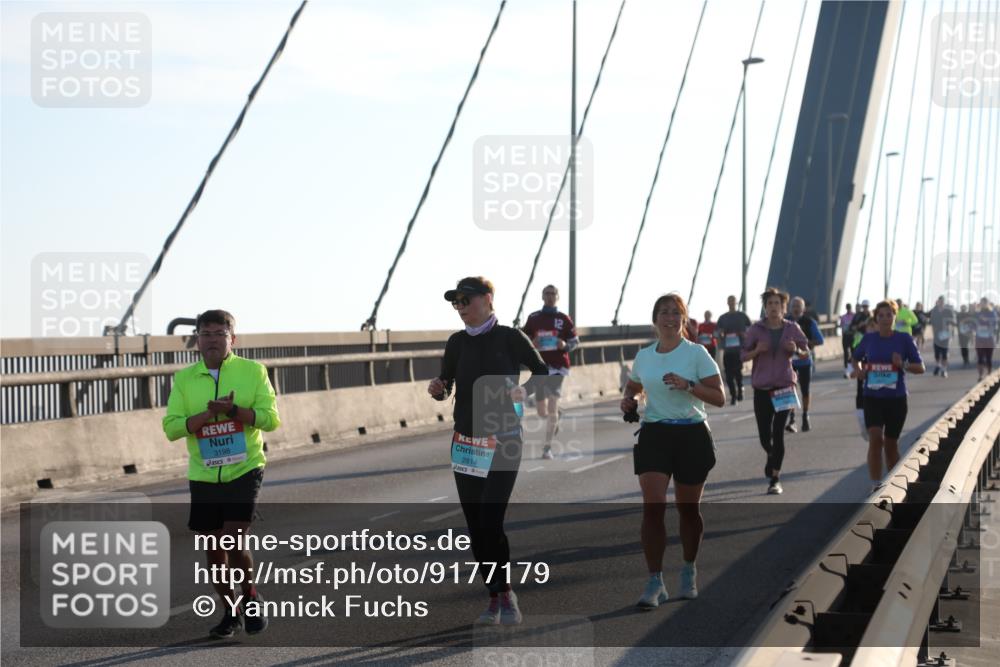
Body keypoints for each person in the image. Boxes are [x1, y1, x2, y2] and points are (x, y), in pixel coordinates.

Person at [428, 277, 550, 626]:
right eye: (456, 302)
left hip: (504, 439)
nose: (460, 307)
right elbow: (447, 383)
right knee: (475, 526)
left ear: (487, 299)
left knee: (490, 520)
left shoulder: (510, 338)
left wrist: (525, 391)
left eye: (465, 300)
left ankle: (506, 593)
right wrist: (438, 388)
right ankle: (494, 596)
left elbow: (543, 373)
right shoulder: (456, 342)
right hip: (467, 442)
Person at [162, 310, 281, 638]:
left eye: (219, 334)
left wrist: (232, 411)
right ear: (197, 340)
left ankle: (250, 596)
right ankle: (231, 612)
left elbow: (271, 419)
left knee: (233, 539)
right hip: (204, 473)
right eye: (206, 334)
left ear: (233, 339)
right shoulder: (185, 378)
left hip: (245, 467)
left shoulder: (253, 371)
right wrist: (206, 415)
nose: (212, 340)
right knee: (214, 549)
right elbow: (171, 428)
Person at [620, 293, 725, 607]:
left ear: (683, 319)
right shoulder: (644, 356)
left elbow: (719, 397)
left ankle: (689, 569)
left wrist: (689, 385)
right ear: (655, 319)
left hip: (691, 434)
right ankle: (655, 582)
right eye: (664, 312)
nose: (669, 318)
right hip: (655, 433)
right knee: (652, 507)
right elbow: (633, 385)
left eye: (675, 313)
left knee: (687, 510)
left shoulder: (696, 354)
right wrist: (629, 400)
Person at [741, 288, 810, 495]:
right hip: (762, 389)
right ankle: (771, 455)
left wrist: (796, 349)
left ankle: (775, 479)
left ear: (783, 307)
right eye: (769, 303)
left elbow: (806, 352)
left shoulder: (792, 328)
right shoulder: (755, 329)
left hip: (784, 387)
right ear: (765, 307)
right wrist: (756, 351)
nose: (773, 307)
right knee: (765, 436)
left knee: (778, 432)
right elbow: (743, 356)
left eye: (777, 303)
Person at [851, 300, 925, 491]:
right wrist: (858, 370)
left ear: (895, 317)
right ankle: (875, 484)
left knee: (891, 445)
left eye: (889, 315)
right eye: (881, 315)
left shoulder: (904, 339)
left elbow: (920, 368)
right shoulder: (869, 339)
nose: (885, 319)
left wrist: (903, 364)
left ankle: (895, 486)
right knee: (876, 439)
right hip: (872, 397)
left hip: (896, 399)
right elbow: (855, 357)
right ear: (876, 319)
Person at [522, 285, 580, 460]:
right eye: (547, 293)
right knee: (542, 412)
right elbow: (523, 339)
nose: (550, 296)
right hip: (540, 368)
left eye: (553, 293)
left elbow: (575, 341)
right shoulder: (534, 318)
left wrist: (565, 345)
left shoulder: (563, 319)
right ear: (542, 296)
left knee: (552, 403)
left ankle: (547, 448)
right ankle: (556, 416)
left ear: (557, 297)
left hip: (558, 367)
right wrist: (532, 342)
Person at [785, 296, 824, 433]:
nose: (796, 309)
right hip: (789, 362)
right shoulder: (785, 321)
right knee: (790, 390)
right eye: (793, 306)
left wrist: (805, 344)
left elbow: (820, 340)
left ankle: (805, 415)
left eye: (798, 306)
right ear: (790, 308)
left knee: (805, 390)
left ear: (803, 309)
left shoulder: (809, 322)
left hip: (804, 361)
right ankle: (791, 419)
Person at [715, 295, 753, 405]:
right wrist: (720, 333)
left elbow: (752, 329)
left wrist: (744, 334)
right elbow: (716, 333)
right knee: (728, 375)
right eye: (730, 301)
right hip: (727, 350)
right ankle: (733, 396)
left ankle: (740, 389)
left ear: (736, 303)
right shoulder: (722, 318)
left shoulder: (742, 316)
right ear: (727, 303)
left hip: (739, 349)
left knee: (738, 373)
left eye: (733, 301)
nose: (731, 303)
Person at [929, 296, 956, 377]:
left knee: (944, 352)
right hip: (937, 334)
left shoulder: (948, 310)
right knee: (937, 352)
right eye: (939, 301)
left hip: (945, 334)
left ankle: (944, 370)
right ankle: (938, 365)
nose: (940, 303)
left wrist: (950, 324)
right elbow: (931, 321)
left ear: (944, 302)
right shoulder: (934, 311)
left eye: (942, 301)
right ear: (937, 302)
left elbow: (953, 321)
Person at [975, 297, 998, 381]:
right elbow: (973, 324)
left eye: (985, 303)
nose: (983, 304)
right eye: (982, 302)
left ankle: (989, 374)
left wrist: (987, 321)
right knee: (980, 358)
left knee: (988, 358)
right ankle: (980, 375)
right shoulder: (977, 313)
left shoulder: (992, 313)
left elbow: (995, 324)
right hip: (979, 338)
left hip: (989, 338)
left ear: (987, 304)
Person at [840, 303, 855, 377]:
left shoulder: (854, 316)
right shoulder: (843, 317)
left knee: (853, 352)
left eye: (849, 308)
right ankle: (846, 368)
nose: (848, 309)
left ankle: (853, 367)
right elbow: (842, 327)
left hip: (852, 336)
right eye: (847, 308)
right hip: (845, 336)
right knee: (846, 353)